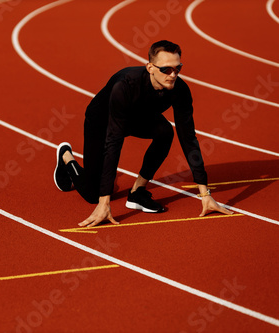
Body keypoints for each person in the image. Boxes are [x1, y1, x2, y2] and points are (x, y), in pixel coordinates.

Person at [54, 40, 233, 227]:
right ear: (150, 67)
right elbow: (113, 141)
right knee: (93, 194)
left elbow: (188, 138)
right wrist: (104, 203)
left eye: (177, 68)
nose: (173, 75)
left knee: (165, 132)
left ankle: (137, 191)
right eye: (166, 70)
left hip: (138, 117)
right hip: (102, 122)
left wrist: (205, 195)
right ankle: (66, 157)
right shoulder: (124, 86)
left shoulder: (180, 90)